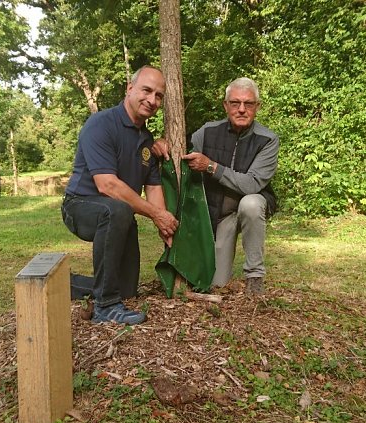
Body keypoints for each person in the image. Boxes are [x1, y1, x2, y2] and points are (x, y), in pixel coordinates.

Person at [61, 65, 178, 325]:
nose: (152, 100)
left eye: (158, 96)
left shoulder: (147, 140)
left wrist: (165, 227)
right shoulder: (101, 124)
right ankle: (104, 307)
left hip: (118, 215)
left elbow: (154, 188)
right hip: (80, 206)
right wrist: (157, 215)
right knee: (117, 208)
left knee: (126, 288)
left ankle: (68, 285)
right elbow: (108, 186)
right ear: (129, 88)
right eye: (146, 90)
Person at [154, 77, 278, 295]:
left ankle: (255, 277)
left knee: (251, 203)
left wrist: (211, 167)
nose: (241, 109)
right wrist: (163, 141)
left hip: (245, 208)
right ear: (225, 105)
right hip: (216, 217)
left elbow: (252, 184)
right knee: (215, 284)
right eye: (235, 103)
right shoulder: (207, 131)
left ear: (257, 107)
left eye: (248, 104)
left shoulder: (267, 140)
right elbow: (180, 150)